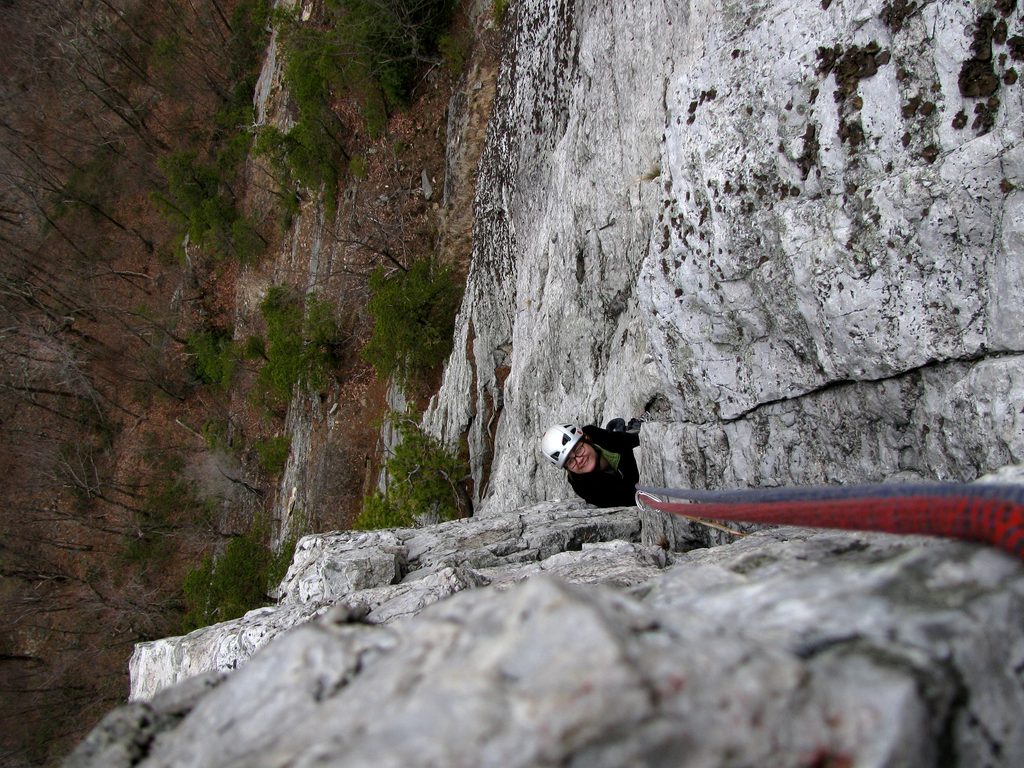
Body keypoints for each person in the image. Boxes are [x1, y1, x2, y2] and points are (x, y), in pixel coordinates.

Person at [539, 418, 643, 508]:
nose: (578, 460)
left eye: (578, 450)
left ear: (587, 439)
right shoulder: (584, 486)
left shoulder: (597, 435)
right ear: (567, 468)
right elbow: (629, 498)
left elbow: (635, 441)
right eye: (570, 462)